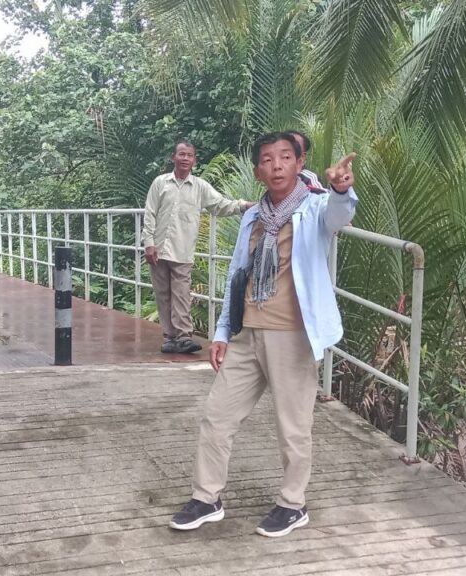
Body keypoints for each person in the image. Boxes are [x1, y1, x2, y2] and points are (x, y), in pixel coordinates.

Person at [168, 131, 357, 537]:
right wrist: (222, 331)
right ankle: (206, 497)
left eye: (285, 157)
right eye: (267, 160)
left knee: (293, 426)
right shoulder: (253, 217)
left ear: (299, 163)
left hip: (292, 335)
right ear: (258, 171)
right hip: (247, 332)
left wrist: (342, 189)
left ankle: (293, 504)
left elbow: (339, 216)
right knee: (217, 416)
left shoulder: (314, 207)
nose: (276, 166)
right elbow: (239, 274)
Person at [142, 140, 254, 355]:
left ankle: (184, 336)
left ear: (194, 160)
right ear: (173, 157)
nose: (185, 158)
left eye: (189, 155)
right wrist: (149, 243)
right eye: (181, 154)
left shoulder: (200, 187)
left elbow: (220, 205)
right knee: (162, 293)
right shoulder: (160, 183)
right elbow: (150, 213)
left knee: (181, 293)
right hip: (158, 248)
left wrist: (244, 206)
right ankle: (170, 337)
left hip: (182, 250)